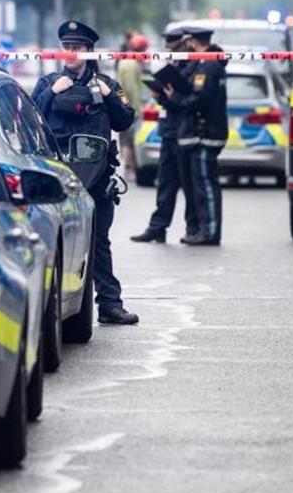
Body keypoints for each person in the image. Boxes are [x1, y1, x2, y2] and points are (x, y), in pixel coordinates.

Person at [32, 20, 140, 326]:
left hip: (97, 178)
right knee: (56, 241)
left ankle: (109, 304)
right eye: (66, 47)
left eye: (77, 48)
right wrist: (52, 93)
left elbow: (124, 121)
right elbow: (30, 119)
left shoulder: (106, 85)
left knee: (98, 241)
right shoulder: (48, 83)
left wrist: (106, 95)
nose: (71, 53)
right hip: (59, 178)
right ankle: (53, 305)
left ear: (89, 51)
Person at [130, 26, 200, 244]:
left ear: (184, 42)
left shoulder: (192, 63)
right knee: (165, 182)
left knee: (189, 184)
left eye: (172, 43)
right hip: (169, 130)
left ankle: (194, 227)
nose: (168, 46)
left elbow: (189, 99)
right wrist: (160, 95)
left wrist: (169, 96)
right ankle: (158, 227)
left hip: (186, 130)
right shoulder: (172, 62)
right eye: (167, 43)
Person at [174, 26, 228, 246]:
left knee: (206, 185)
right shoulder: (209, 62)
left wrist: (176, 101)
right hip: (205, 131)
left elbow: (199, 98)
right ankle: (204, 229)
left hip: (207, 132)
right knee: (200, 184)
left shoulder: (208, 65)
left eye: (189, 41)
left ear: (194, 42)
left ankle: (210, 231)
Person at [115, 30, 148, 181]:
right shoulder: (130, 64)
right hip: (129, 108)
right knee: (129, 140)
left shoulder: (127, 61)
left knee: (126, 139)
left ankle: (130, 167)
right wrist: (134, 109)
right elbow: (130, 89)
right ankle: (130, 168)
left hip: (124, 105)